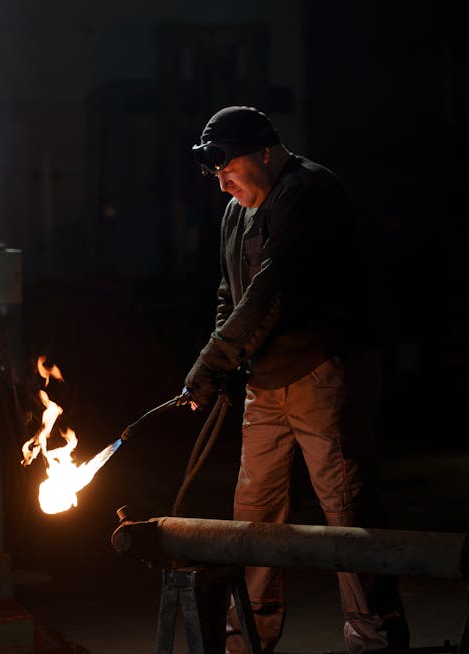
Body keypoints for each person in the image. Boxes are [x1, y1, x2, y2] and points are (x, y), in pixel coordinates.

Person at [180, 106, 409, 654]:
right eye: (215, 175)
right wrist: (228, 365)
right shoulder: (236, 212)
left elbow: (272, 290)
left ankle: (375, 641)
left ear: (265, 151)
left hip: (323, 373)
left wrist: (213, 362)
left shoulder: (309, 192)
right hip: (265, 383)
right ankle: (248, 643)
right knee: (254, 516)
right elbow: (229, 294)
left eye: (228, 168)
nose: (223, 182)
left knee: (347, 515)